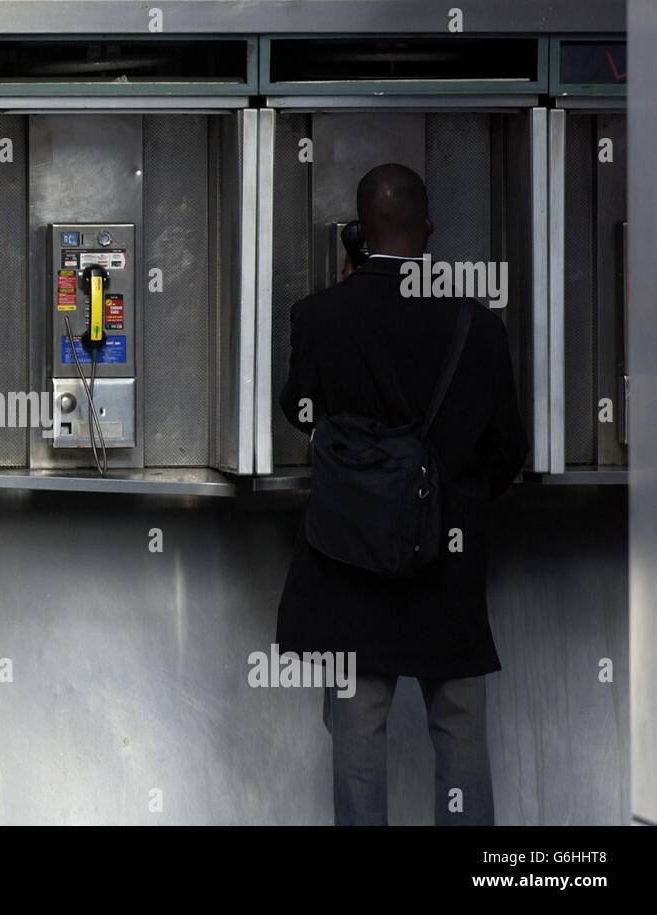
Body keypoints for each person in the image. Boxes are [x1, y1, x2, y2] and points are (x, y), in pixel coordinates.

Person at [276, 164, 529, 825]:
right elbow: (508, 450)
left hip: (353, 559)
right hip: (448, 559)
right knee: (460, 730)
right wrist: (451, 504)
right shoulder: (479, 325)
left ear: (358, 233)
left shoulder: (320, 315)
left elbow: (300, 410)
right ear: (429, 230)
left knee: (358, 729)